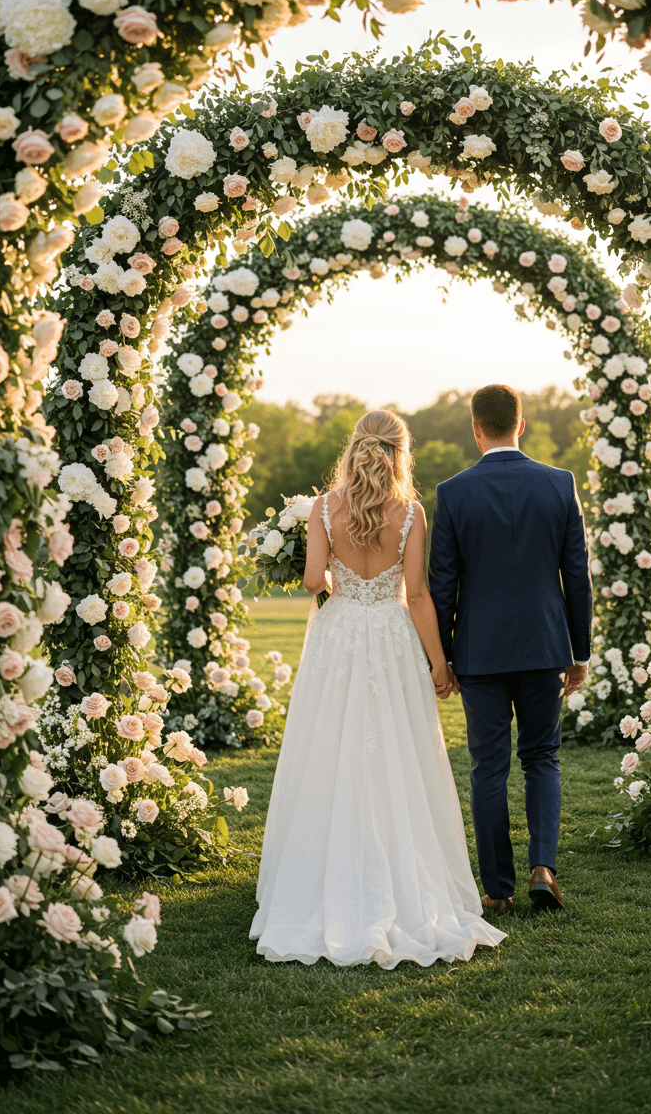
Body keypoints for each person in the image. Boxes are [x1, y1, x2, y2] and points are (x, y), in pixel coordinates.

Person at [249, 409, 506, 967]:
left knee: (329, 746)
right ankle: (401, 874)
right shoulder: (410, 512)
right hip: (391, 640)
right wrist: (439, 665)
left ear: (354, 449)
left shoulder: (322, 508)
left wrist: (320, 564)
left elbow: (315, 581)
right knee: (398, 752)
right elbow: (417, 597)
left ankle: (320, 876)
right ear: (400, 451)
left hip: (339, 636)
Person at [428, 384, 592, 914]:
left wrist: (446, 657)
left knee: (488, 767)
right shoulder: (559, 484)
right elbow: (577, 576)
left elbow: (442, 585)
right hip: (546, 646)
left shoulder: (453, 493)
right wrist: (580, 650)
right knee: (542, 756)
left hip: (480, 653)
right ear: (520, 425)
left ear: (477, 429)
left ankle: (497, 890)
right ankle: (543, 866)